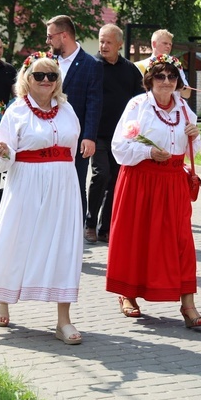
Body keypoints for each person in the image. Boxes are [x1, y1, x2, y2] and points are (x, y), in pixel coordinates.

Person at [0, 53, 84, 345]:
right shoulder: (17, 111)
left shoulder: (67, 109)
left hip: (62, 185)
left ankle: (63, 320)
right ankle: (1, 297)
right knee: (15, 238)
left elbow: (71, 149)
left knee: (63, 245)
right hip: (27, 183)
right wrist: (2, 152)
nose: (46, 81)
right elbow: (3, 153)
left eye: (52, 76)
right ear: (26, 79)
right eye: (39, 75)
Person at [106, 54, 201, 327]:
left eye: (171, 76)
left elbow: (194, 153)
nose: (166, 82)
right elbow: (119, 147)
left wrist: (195, 138)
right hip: (141, 179)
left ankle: (188, 304)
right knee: (136, 235)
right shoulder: (138, 106)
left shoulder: (184, 110)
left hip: (173, 181)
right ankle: (127, 294)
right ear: (149, 79)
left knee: (181, 241)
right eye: (160, 76)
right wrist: (148, 151)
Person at [84, 24, 143, 244]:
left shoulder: (130, 70)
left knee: (116, 179)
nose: (103, 45)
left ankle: (105, 227)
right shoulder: (92, 66)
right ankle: (90, 224)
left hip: (122, 136)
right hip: (96, 132)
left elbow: (140, 101)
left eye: (109, 42)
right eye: (101, 40)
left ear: (120, 44)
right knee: (102, 174)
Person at [45, 15, 103, 219]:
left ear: (64, 36)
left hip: (75, 138)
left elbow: (94, 103)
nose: (47, 41)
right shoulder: (47, 62)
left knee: (76, 183)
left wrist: (89, 136)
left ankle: (76, 226)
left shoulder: (90, 64)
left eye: (50, 37)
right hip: (47, 136)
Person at [134, 29, 192, 99]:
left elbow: (187, 94)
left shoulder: (175, 65)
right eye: (165, 43)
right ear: (154, 44)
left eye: (170, 44)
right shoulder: (139, 66)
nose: (168, 46)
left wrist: (179, 85)